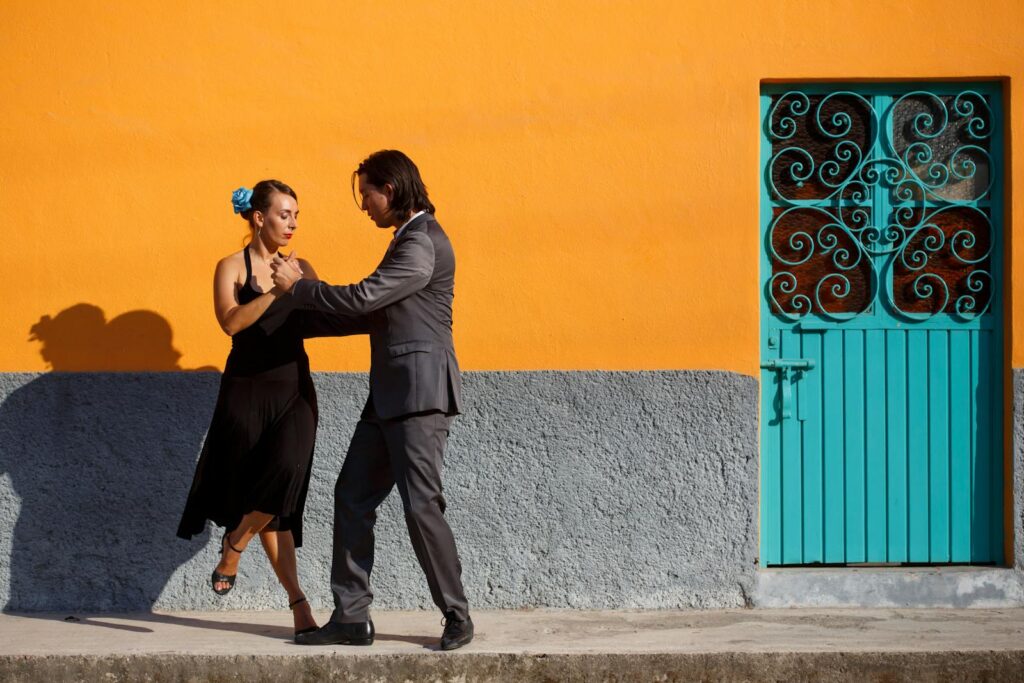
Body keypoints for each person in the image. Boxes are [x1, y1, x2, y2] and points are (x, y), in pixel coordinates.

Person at [270, 150, 473, 651]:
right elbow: (372, 316)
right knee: (352, 498)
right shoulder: (405, 241)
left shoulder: (422, 243)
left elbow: (363, 299)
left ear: (393, 187)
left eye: (368, 195)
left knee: (421, 506)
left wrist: (302, 288)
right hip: (387, 396)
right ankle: (352, 616)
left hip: (419, 396)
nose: (364, 206)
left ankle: (457, 615)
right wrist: (294, 321)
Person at [177, 179, 322, 640]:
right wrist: (277, 292)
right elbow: (230, 322)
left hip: (294, 387)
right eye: (284, 214)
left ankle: (234, 542)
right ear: (259, 218)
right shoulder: (230, 267)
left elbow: (323, 315)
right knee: (270, 502)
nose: (293, 223)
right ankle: (299, 605)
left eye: (297, 215)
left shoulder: (303, 267)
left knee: (288, 470)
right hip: (245, 392)